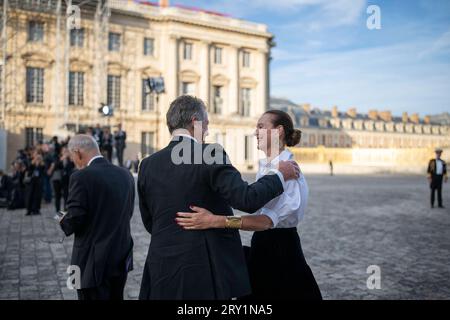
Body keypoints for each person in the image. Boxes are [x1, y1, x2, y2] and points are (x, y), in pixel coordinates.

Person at [138, 96, 300, 300]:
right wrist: (279, 175)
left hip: (161, 267)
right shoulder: (209, 153)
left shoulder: (147, 164)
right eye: (206, 124)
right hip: (203, 267)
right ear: (195, 122)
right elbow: (246, 199)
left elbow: (150, 222)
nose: (206, 131)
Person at [176, 109, 322, 300]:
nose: (255, 132)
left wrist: (216, 221)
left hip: (281, 253)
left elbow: (265, 222)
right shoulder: (271, 167)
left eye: (261, 127)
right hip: (264, 247)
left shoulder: (289, 170)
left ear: (278, 131)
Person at [59, 134, 135, 300]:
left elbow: (74, 220)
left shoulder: (80, 177)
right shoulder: (126, 175)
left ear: (78, 153)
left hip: (90, 263)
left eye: (72, 157)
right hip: (120, 257)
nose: (73, 162)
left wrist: (61, 218)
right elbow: (127, 213)